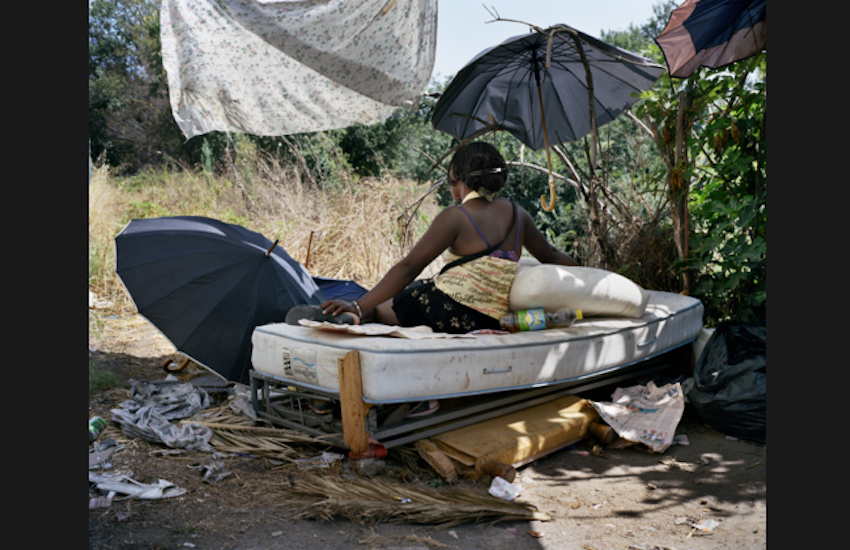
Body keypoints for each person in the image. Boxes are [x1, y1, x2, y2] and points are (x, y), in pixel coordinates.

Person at [286, 141, 579, 416]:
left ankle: (352, 318)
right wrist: (592, 275)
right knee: (413, 293)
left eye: (452, 181)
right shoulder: (519, 215)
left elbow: (409, 266)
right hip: (487, 321)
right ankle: (357, 316)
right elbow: (551, 256)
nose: (452, 189)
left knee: (386, 305)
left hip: (445, 307)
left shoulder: (455, 216)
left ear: (462, 181)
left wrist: (360, 304)